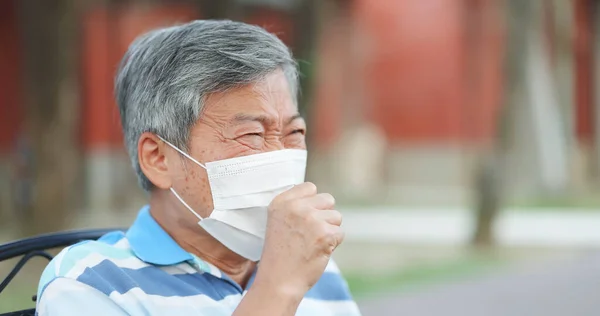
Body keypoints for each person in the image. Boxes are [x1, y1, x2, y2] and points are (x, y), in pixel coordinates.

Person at [36, 20, 361, 315]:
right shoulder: (92, 283)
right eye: (252, 134)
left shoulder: (315, 269)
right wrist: (277, 289)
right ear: (158, 158)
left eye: (294, 133)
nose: (279, 154)